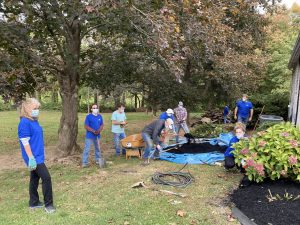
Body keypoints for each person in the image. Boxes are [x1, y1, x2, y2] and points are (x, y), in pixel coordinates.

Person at [18, 98, 55, 213]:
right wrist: (31, 158)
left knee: (34, 178)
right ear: (28, 109)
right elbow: (24, 141)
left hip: (38, 154)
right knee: (46, 178)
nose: (37, 110)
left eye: (38, 108)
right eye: (35, 108)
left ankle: (33, 203)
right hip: (33, 157)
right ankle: (49, 206)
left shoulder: (34, 120)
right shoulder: (24, 122)